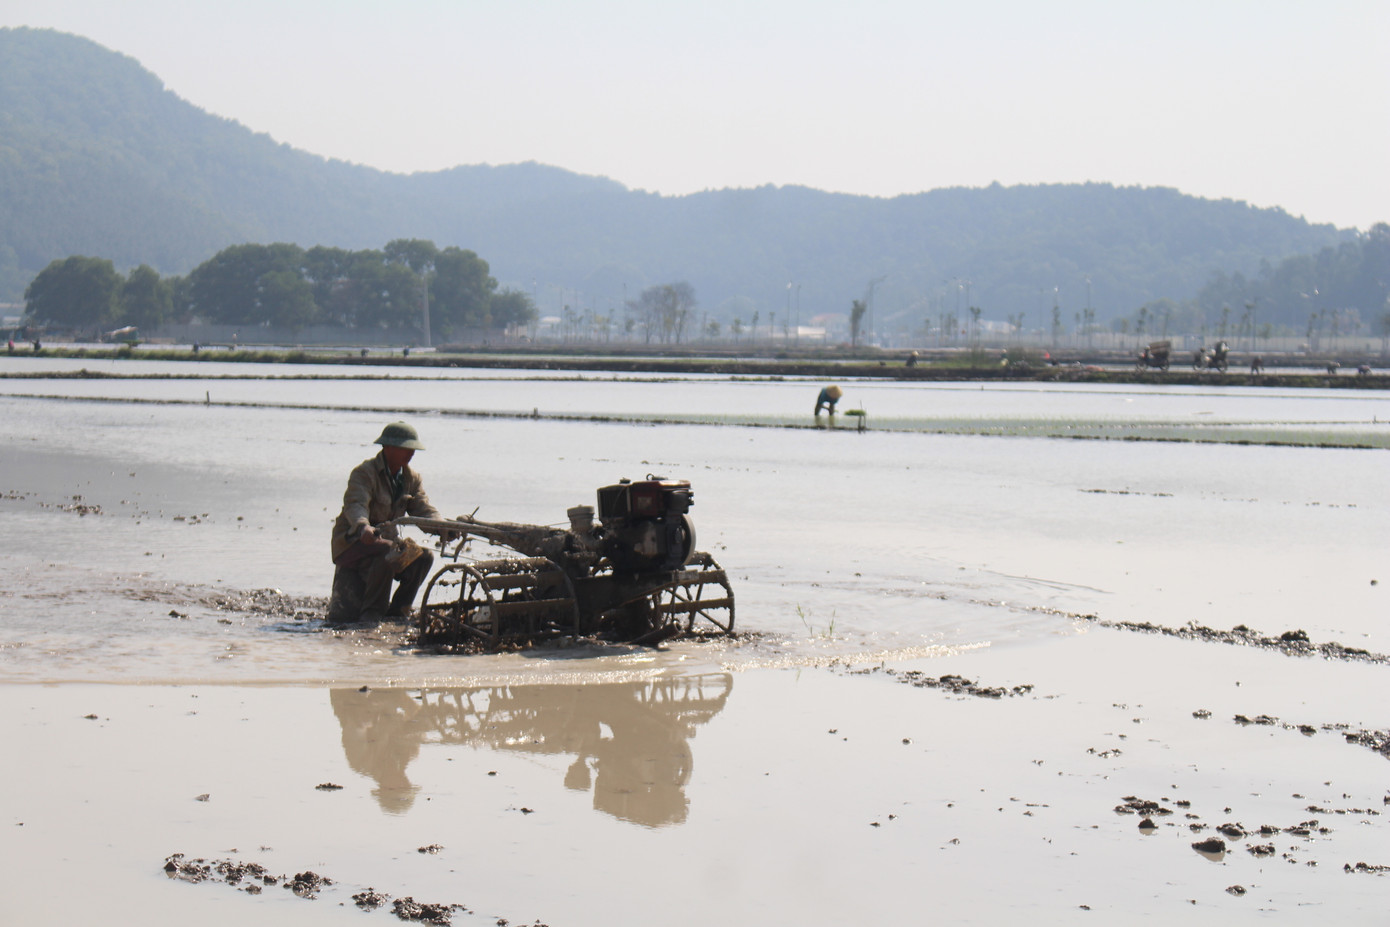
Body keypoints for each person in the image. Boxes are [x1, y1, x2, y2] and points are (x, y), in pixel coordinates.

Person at [328, 422, 452, 624]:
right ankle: (373, 613)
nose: (410, 453)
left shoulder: (411, 478)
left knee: (424, 556)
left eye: (412, 449)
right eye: (405, 448)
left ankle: (398, 612)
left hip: (386, 543)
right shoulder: (364, 473)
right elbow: (355, 505)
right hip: (353, 543)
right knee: (388, 551)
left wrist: (442, 526)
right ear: (388, 448)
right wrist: (363, 527)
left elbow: (423, 509)